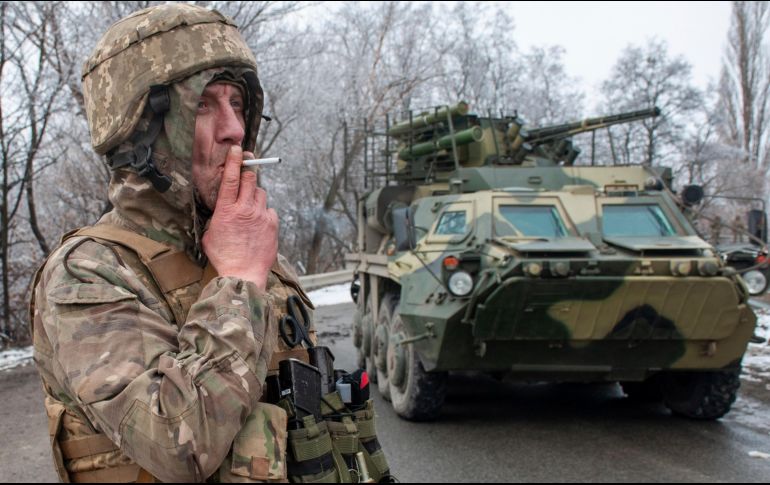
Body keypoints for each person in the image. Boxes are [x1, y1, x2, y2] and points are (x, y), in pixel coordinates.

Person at [29, 4, 316, 482]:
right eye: (204, 105)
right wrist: (239, 281)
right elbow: (177, 445)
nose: (235, 130)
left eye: (238, 104)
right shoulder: (87, 274)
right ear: (144, 130)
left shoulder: (254, 254)